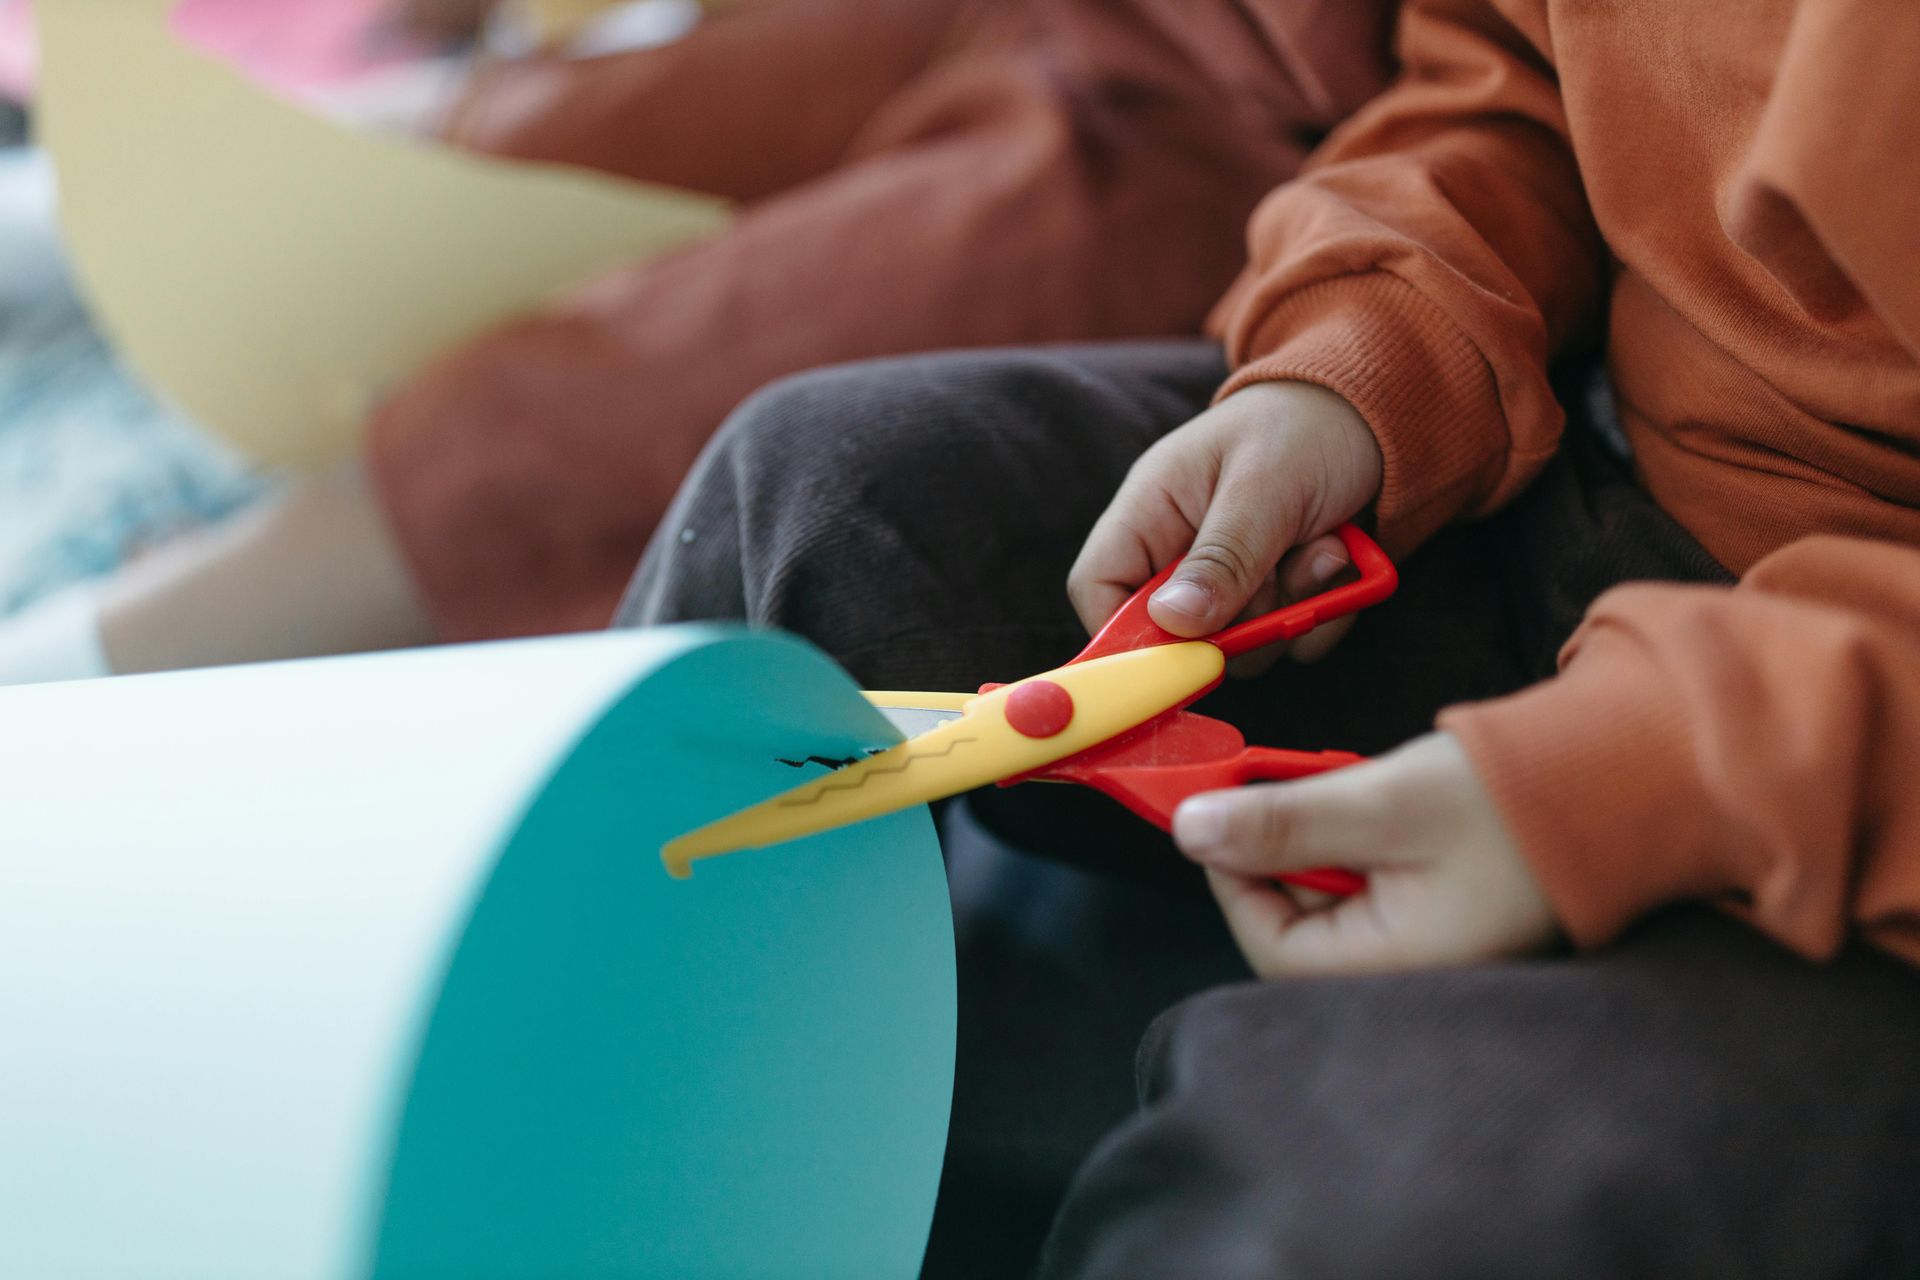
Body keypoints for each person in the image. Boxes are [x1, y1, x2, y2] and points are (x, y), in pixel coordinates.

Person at [615, 0, 1920, 1273]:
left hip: (1868, 790)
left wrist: (1647, 773)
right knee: (822, 496)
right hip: (1598, 486)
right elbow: (1511, 80)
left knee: (1349, 1189)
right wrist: (1357, 360)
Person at [0, 0, 1394, 683]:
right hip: (1110, 21)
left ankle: (73, 676)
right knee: (607, 117)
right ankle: (125, 208)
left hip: (1259, 133)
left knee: (610, 389)